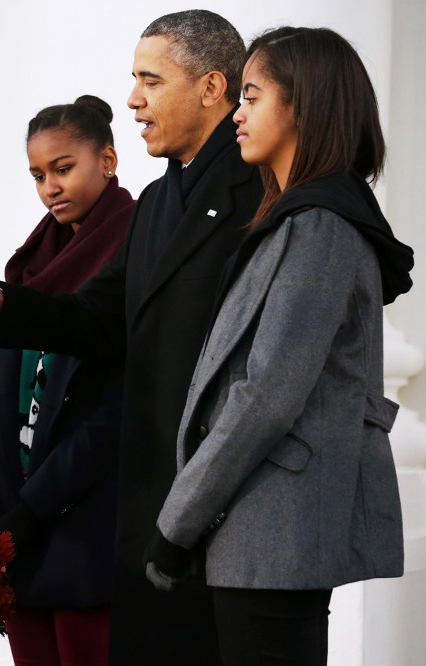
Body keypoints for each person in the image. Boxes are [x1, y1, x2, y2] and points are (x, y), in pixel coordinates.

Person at [0, 10, 263, 664]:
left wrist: (34, 509)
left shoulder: (258, 192)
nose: (133, 99)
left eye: (151, 81)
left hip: (207, 506)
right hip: (148, 513)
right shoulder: (161, 203)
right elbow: (96, 320)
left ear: (212, 87)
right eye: (135, 80)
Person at [144, 27, 413, 665]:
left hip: (273, 530)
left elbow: (266, 394)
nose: (237, 114)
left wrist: (177, 523)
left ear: (303, 105)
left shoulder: (319, 227)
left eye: (252, 96)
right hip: (258, 529)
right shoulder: (303, 218)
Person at [0, 95, 133, 665]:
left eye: (63, 169)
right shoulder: (31, 262)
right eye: (38, 175)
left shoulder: (135, 251)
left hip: (88, 535)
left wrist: (29, 512)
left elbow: (115, 407)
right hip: (19, 541)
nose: (50, 188)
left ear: (107, 160)